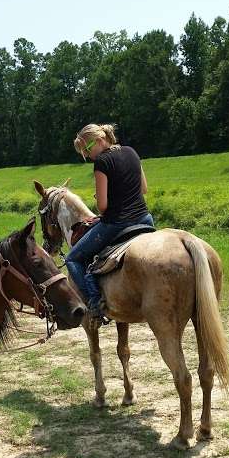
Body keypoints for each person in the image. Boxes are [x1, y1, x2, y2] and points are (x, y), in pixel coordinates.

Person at [65, 124, 153, 324]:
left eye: (87, 151)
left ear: (98, 141)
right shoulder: (131, 152)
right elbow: (144, 189)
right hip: (145, 218)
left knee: (72, 258)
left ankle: (95, 303)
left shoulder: (102, 162)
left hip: (118, 223)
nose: (89, 157)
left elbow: (103, 207)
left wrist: (100, 199)